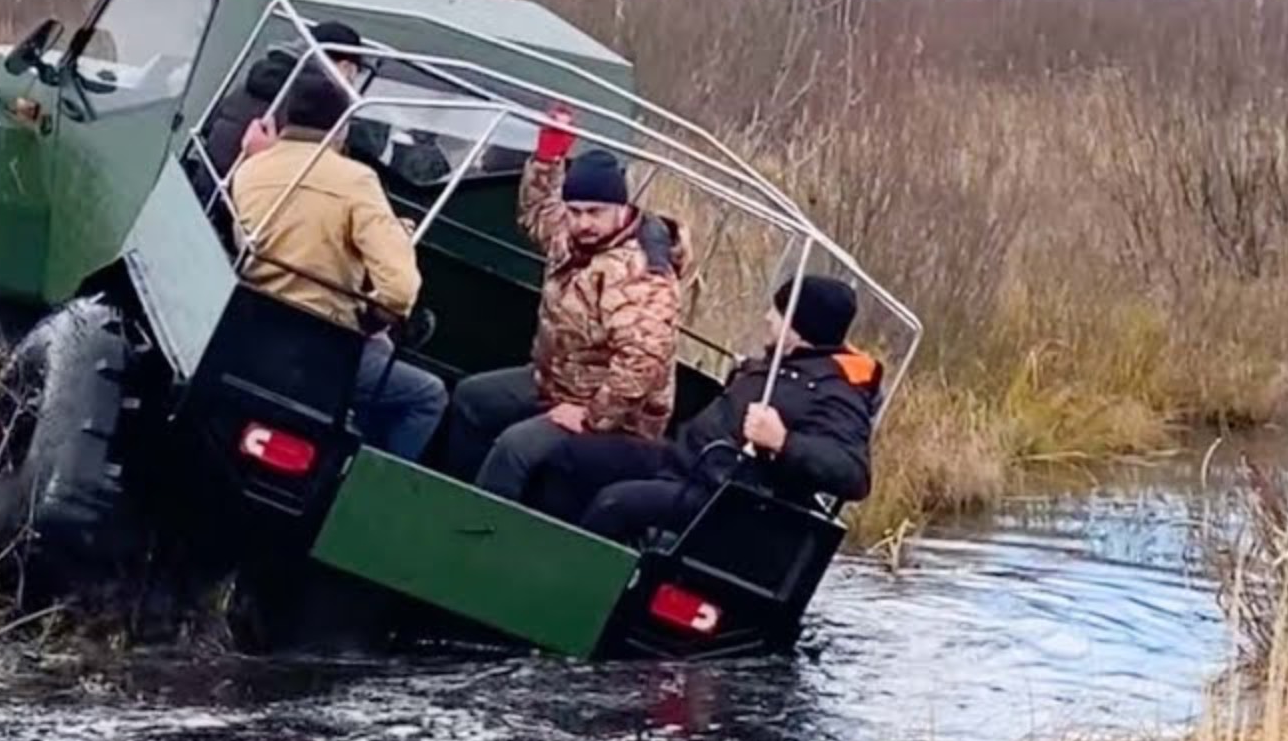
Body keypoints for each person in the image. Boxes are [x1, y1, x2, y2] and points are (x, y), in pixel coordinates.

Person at [442, 110, 684, 502]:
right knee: (472, 398)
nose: (584, 222)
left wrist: (592, 416)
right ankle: (446, 497)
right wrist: (548, 157)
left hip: (619, 415)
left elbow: (643, 360)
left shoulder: (639, 272)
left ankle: (477, 529)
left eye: (595, 212)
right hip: (555, 380)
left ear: (621, 209)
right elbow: (537, 213)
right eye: (576, 211)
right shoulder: (571, 239)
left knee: (514, 448)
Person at [541, 273, 881, 546]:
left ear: (800, 326)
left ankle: (571, 593)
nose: (767, 318)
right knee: (573, 455)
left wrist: (783, 441)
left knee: (616, 503)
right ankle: (537, 555)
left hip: (725, 498)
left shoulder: (835, 390)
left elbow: (854, 474)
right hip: (682, 463)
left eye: (777, 313)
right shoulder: (785, 362)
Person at [228, 64, 448, 460]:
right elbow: (400, 289)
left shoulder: (250, 168)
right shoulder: (355, 181)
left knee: (377, 351)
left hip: (252, 328)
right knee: (428, 395)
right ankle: (368, 480)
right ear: (342, 126)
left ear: (288, 116)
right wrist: (373, 311)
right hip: (318, 346)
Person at [200, 21, 384, 182]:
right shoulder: (316, 97)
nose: (352, 80)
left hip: (209, 176)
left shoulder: (264, 72)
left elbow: (210, 124)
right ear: (346, 67)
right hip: (246, 193)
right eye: (354, 72)